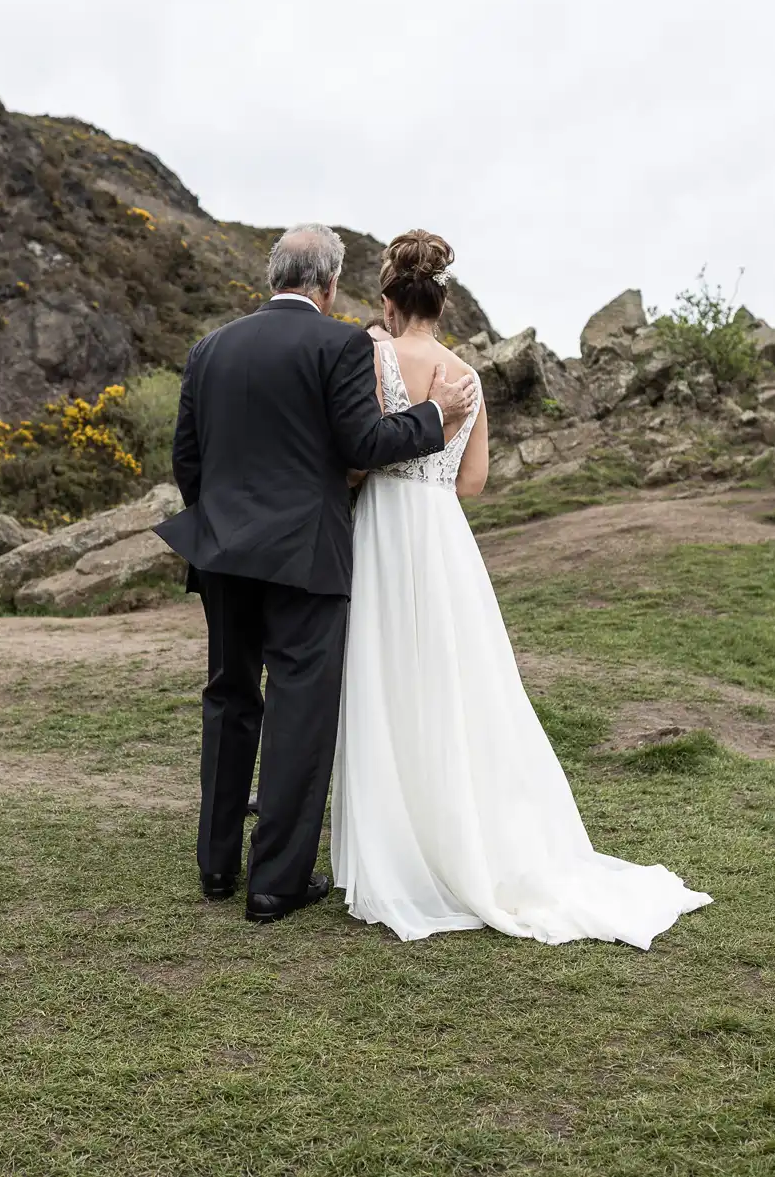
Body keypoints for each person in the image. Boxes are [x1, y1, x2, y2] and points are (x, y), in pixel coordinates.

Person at [331, 230, 712, 947]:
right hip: (441, 536)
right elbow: (473, 482)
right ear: (443, 306)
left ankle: (397, 858)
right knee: (456, 687)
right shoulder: (465, 376)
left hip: (381, 530)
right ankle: (471, 842)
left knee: (385, 681)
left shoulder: (371, 355)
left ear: (387, 300)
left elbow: (352, 451)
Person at [155, 223, 479, 922]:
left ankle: (216, 867)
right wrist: (435, 415)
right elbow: (364, 442)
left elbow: (187, 459)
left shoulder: (209, 348)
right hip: (305, 556)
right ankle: (274, 884)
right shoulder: (337, 344)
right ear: (330, 286)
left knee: (230, 699)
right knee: (299, 709)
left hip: (222, 554)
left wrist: (220, 525)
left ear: (272, 275)